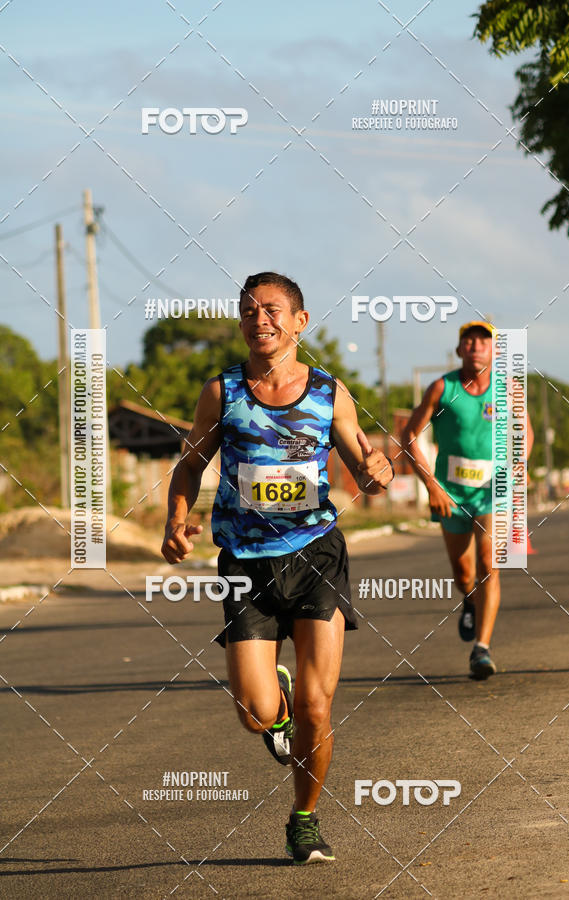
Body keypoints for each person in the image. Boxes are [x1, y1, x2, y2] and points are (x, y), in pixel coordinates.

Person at [161, 272, 394, 864]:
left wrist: (376, 470)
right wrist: (176, 519)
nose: (259, 319)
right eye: (248, 311)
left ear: (299, 321)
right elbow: (189, 467)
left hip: (315, 553)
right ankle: (276, 706)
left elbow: (364, 461)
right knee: (254, 713)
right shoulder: (223, 392)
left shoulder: (327, 391)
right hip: (245, 563)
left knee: (321, 707)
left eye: (271, 309)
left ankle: (305, 817)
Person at [402, 321, 533, 680]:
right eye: (469, 341)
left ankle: (482, 649)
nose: (476, 346)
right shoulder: (443, 388)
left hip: (494, 490)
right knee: (464, 573)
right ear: (459, 350)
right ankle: (469, 599)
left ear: (493, 352)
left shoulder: (508, 389)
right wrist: (431, 486)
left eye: (483, 341)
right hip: (451, 493)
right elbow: (410, 434)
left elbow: (525, 431)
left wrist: (519, 465)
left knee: (489, 562)